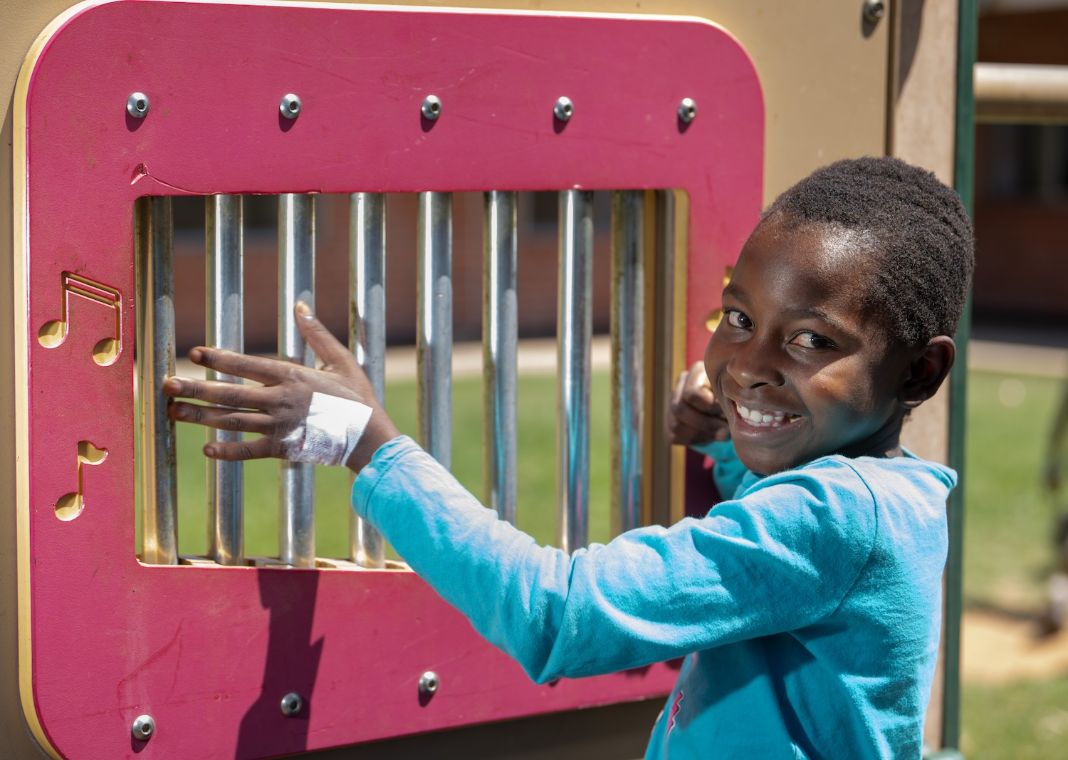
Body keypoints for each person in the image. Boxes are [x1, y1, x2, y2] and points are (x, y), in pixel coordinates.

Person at [164, 156, 974, 758]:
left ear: (921, 371)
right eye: (737, 318)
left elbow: (559, 616)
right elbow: (778, 554)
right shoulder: (876, 501)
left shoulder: (832, 519)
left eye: (809, 340)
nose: (751, 364)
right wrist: (732, 444)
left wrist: (368, 443)